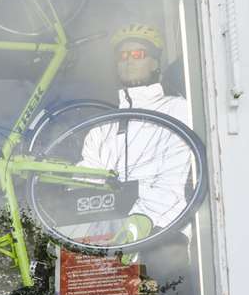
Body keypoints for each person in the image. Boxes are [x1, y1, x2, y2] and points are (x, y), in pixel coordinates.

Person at [81, 23, 197, 237]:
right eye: (122, 56)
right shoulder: (102, 127)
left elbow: (174, 182)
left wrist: (138, 221)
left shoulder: (178, 111)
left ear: (154, 62)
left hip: (164, 233)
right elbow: (87, 185)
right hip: (111, 241)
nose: (129, 61)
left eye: (137, 54)